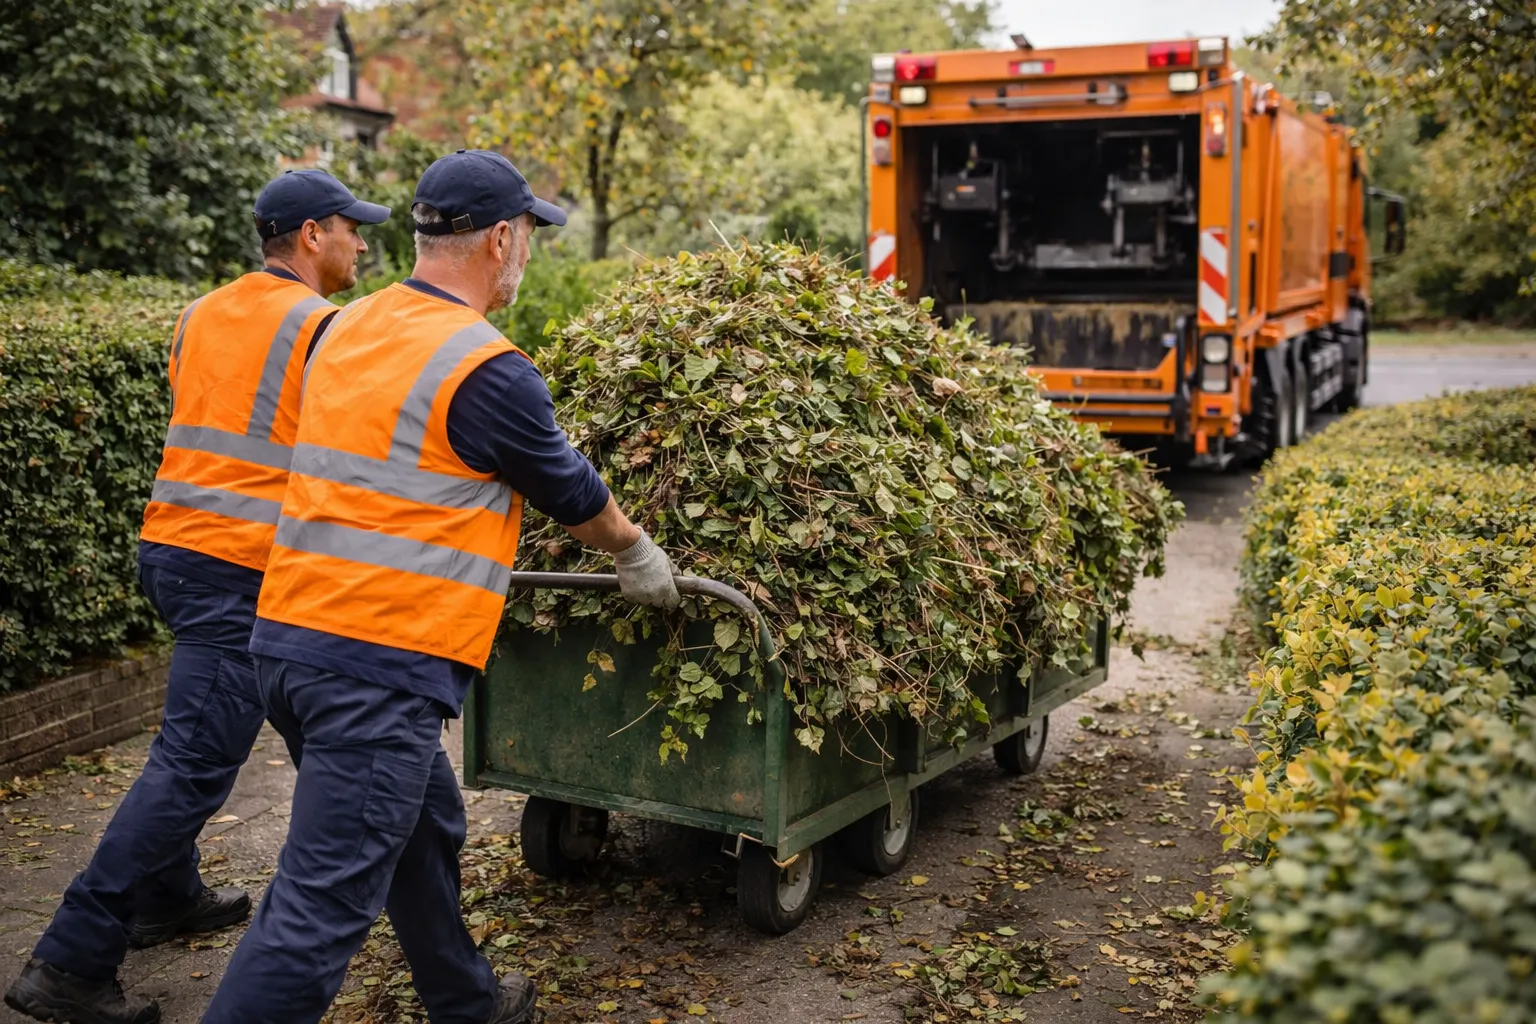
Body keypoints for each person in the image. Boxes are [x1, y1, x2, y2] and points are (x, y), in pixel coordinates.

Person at [199, 150, 679, 1024]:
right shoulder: (486, 366)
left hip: (291, 643)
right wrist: (635, 552)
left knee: (424, 828)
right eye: (528, 235)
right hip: (373, 668)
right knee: (315, 912)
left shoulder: (341, 327)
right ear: (500, 239)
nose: (528, 252)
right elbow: (571, 492)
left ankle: (467, 1001)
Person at [4, 170, 391, 1024]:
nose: (363, 243)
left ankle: (165, 897)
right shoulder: (324, 328)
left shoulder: (201, 311)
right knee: (191, 764)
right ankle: (69, 960)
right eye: (352, 229)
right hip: (237, 566)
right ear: (312, 234)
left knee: (190, 748)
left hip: (173, 549)